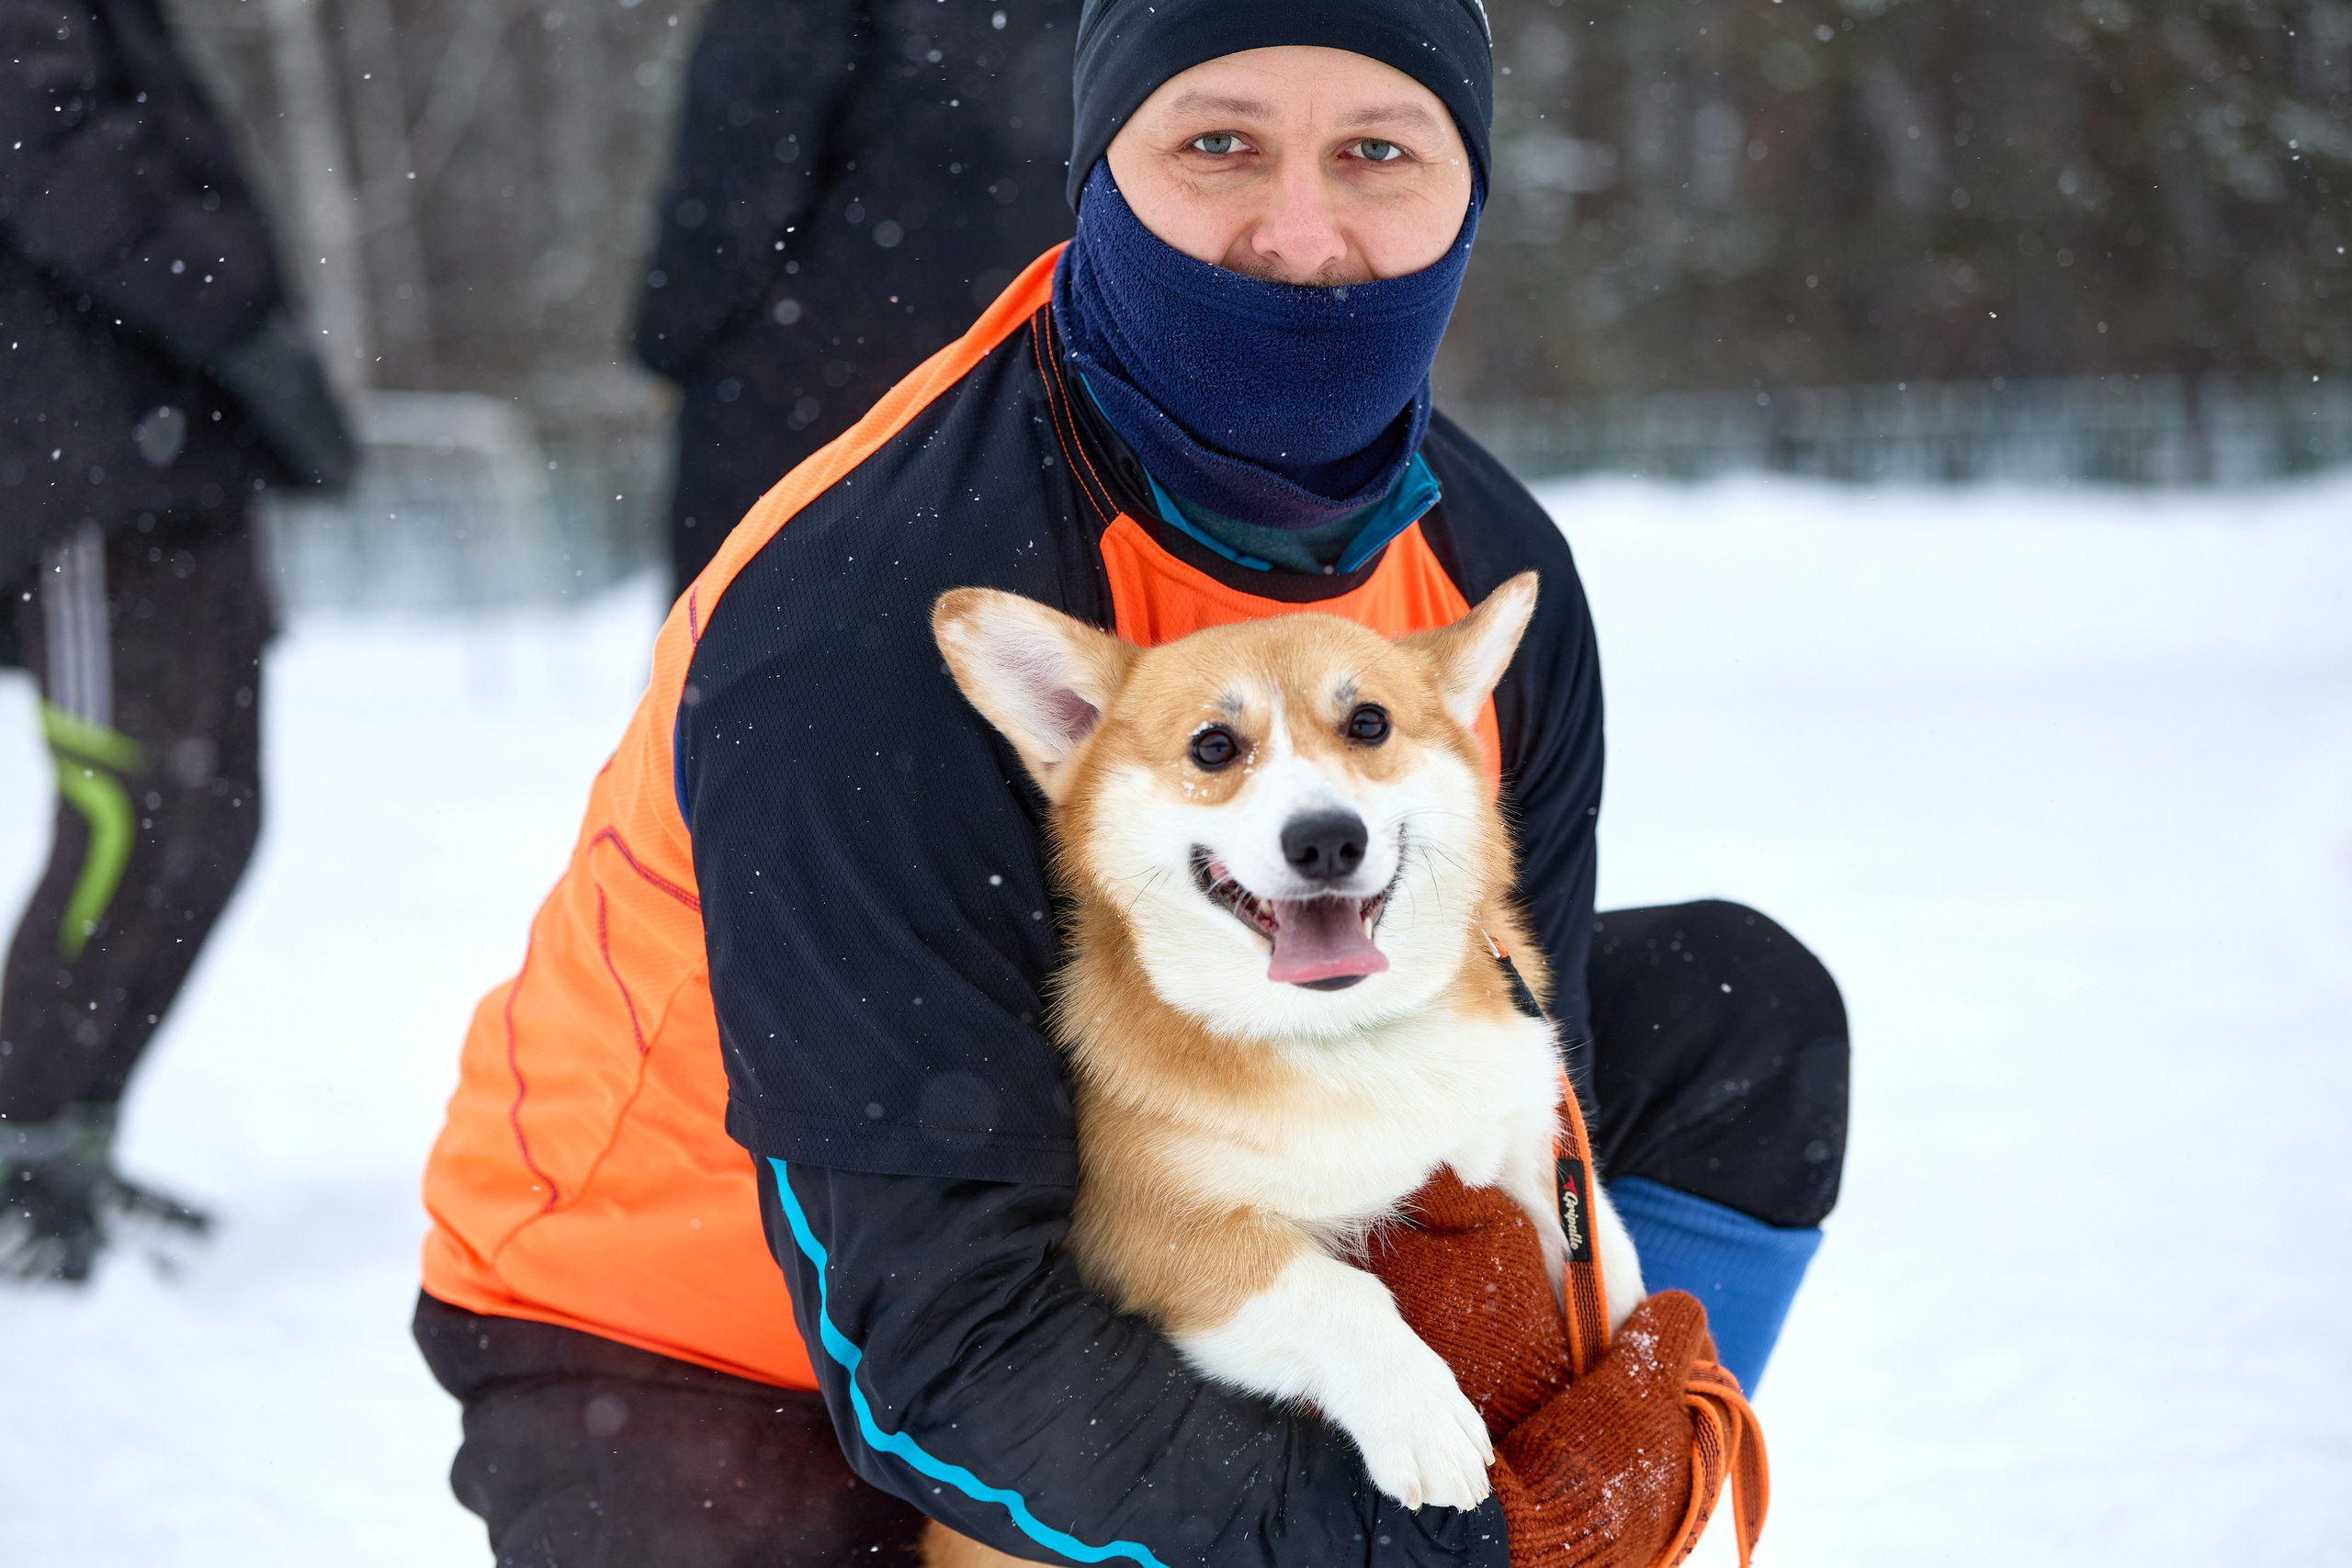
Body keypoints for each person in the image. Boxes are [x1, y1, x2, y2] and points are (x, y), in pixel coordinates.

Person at [416, 3, 1849, 1564]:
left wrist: (1567, 1451)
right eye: (1218, 142)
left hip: (1193, 1174)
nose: (1298, 233)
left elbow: (1513, 1067)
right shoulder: (860, 613)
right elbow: (937, 1341)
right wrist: (1454, 1551)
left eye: (1378, 153)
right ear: (1099, 167)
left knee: (1737, 1018)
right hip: (702, 1339)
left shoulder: (1493, 565)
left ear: (1469, 193)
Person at [0, 0, 356, 1281]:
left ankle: (74, 1139)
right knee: (124, 810)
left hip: (188, 447)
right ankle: (15, 1146)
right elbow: (55, 163)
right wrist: (239, 311)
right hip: (79, 456)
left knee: (216, 817)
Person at [634, 0, 1081, 595]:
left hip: (813, 392)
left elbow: (733, 180)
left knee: (764, 632)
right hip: (1025, 390)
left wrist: (665, 340)